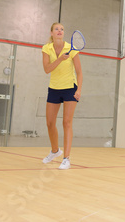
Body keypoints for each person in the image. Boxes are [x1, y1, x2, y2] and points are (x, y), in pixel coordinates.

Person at [41, 23, 83, 170]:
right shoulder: (47, 48)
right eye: (56, 29)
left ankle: (66, 158)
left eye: (62, 29)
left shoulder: (71, 49)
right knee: (50, 123)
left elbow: (79, 72)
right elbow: (47, 69)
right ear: (52, 32)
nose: (59, 31)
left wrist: (78, 90)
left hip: (69, 89)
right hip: (54, 88)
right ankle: (55, 151)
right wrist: (59, 59)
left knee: (67, 122)